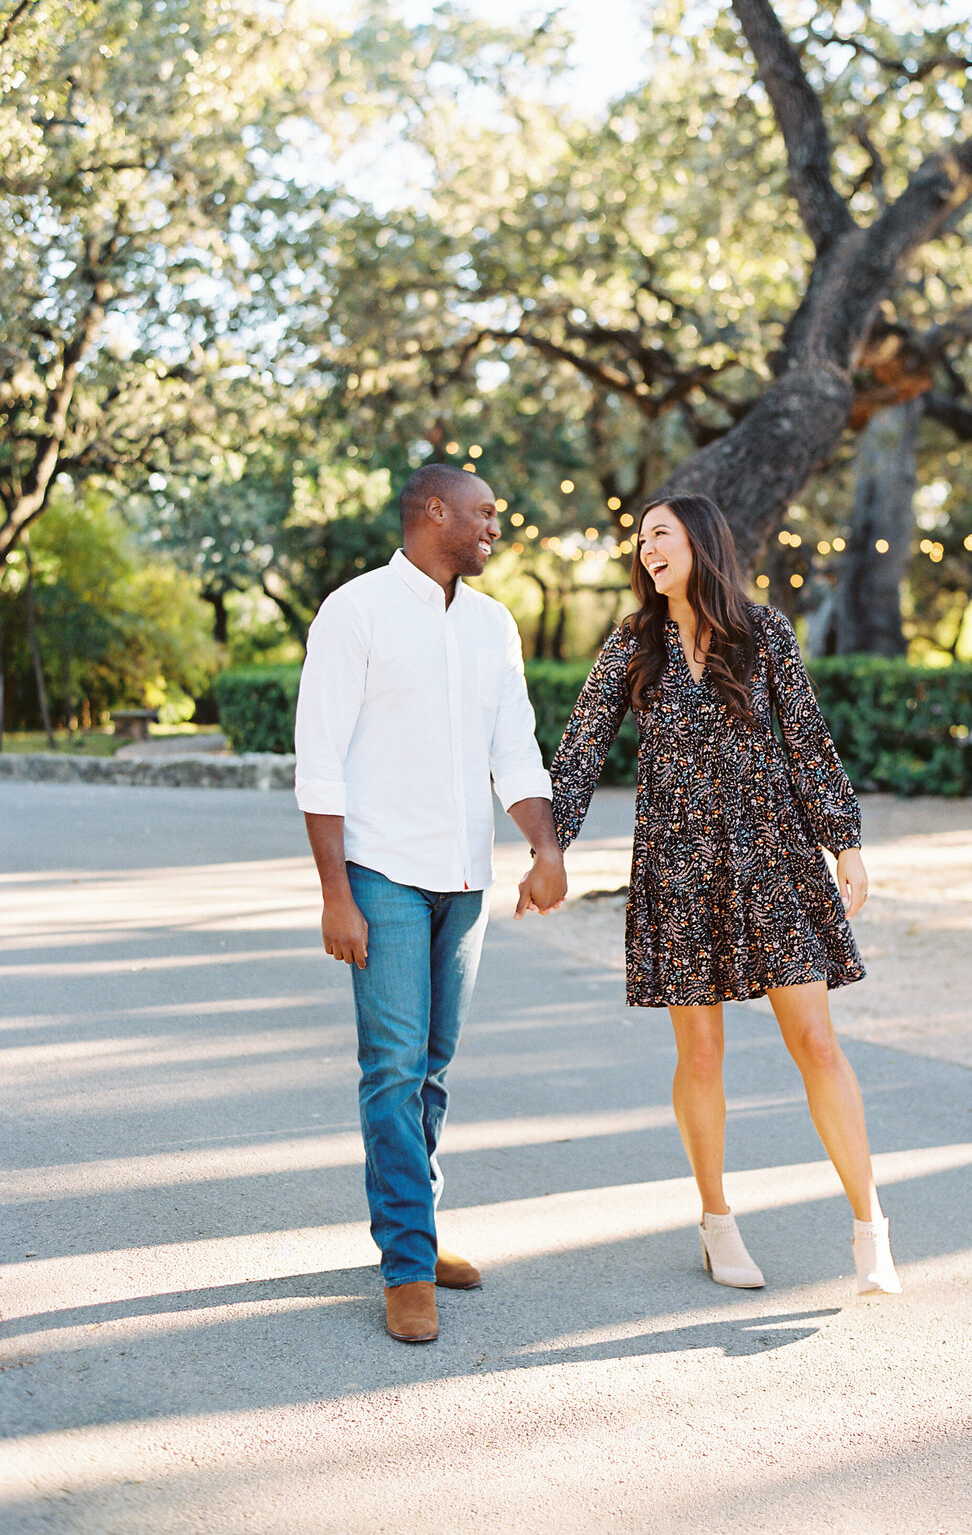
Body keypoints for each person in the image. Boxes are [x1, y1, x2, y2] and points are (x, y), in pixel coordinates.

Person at [549, 494, 900, 1296]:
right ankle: (716, 1220)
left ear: (701, 543)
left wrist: (845, 842)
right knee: (701, 1053)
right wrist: (550, 850)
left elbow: (807, 743)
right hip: (679, 867)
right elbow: (580, 749)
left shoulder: (763, 631)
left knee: (816, 1042)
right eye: (640, 540)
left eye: (659, 534)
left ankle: (870, 1225)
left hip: (773, 858)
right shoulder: (632, 644)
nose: (646, 549)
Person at [294, 464, 567, 1343]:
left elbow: (515, 749)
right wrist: (336, 895)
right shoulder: (355, 610)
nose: (496, 524)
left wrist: (546, 845)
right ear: (433, 511)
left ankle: (420, 1225)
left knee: (433, 1070)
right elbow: (320, 764)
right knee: (393, 1070)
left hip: (466, 882)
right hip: (382, 874)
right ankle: (406, 1263)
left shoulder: (493, 625)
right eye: (485, 512)